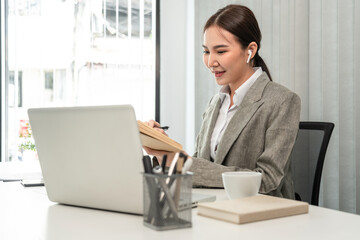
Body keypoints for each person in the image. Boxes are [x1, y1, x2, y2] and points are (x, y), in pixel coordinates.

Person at [144, 4, 300, 199]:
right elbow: (203, 167)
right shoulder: (216, 103)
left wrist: (182, 162)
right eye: (206, 52)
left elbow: (267, 180)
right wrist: (165, 150)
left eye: (220, 51)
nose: (210, 62)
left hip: (259, 216)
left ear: (250, 50)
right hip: (215, 208)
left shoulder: (282, 101)